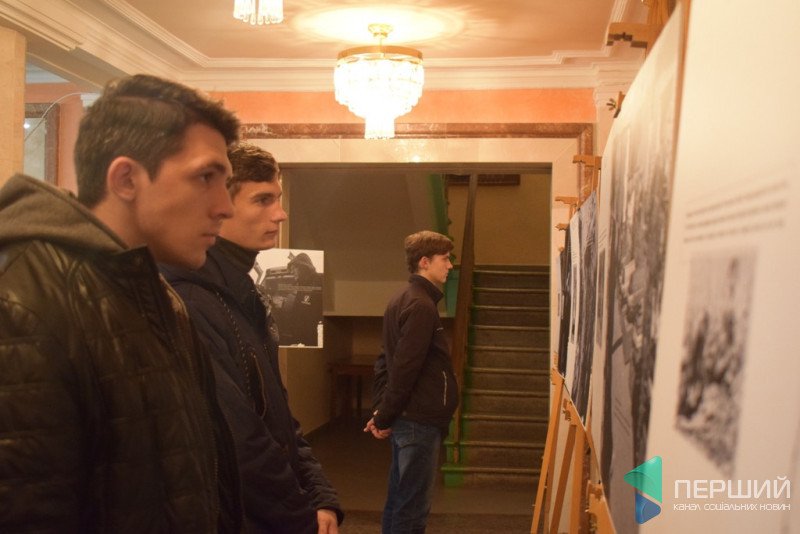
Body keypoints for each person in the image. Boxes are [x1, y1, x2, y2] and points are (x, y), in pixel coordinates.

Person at [0, 74, 242, 531]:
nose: (224, 206)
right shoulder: (22, 302)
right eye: (205, 177)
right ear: (127, 179)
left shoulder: (155, 294)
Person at [160, 143, 343, 533]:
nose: (280, 213)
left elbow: (279, 419)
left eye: (277, 199)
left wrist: (319, 494)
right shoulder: (189, 300)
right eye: (262, 200)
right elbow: (240, 441)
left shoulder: (242, 295)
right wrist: (300, 517)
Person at [365, 230, 460, 534]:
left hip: (409, 418)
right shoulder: (420, 305)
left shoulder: (403, 298)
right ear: (424, 262)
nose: (450, 266)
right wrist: (384, 415)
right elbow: (404, 368)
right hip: (418, 420)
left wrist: (381, 411)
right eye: (445, 259)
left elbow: (385, 360)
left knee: (399, 500)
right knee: (412, 509)